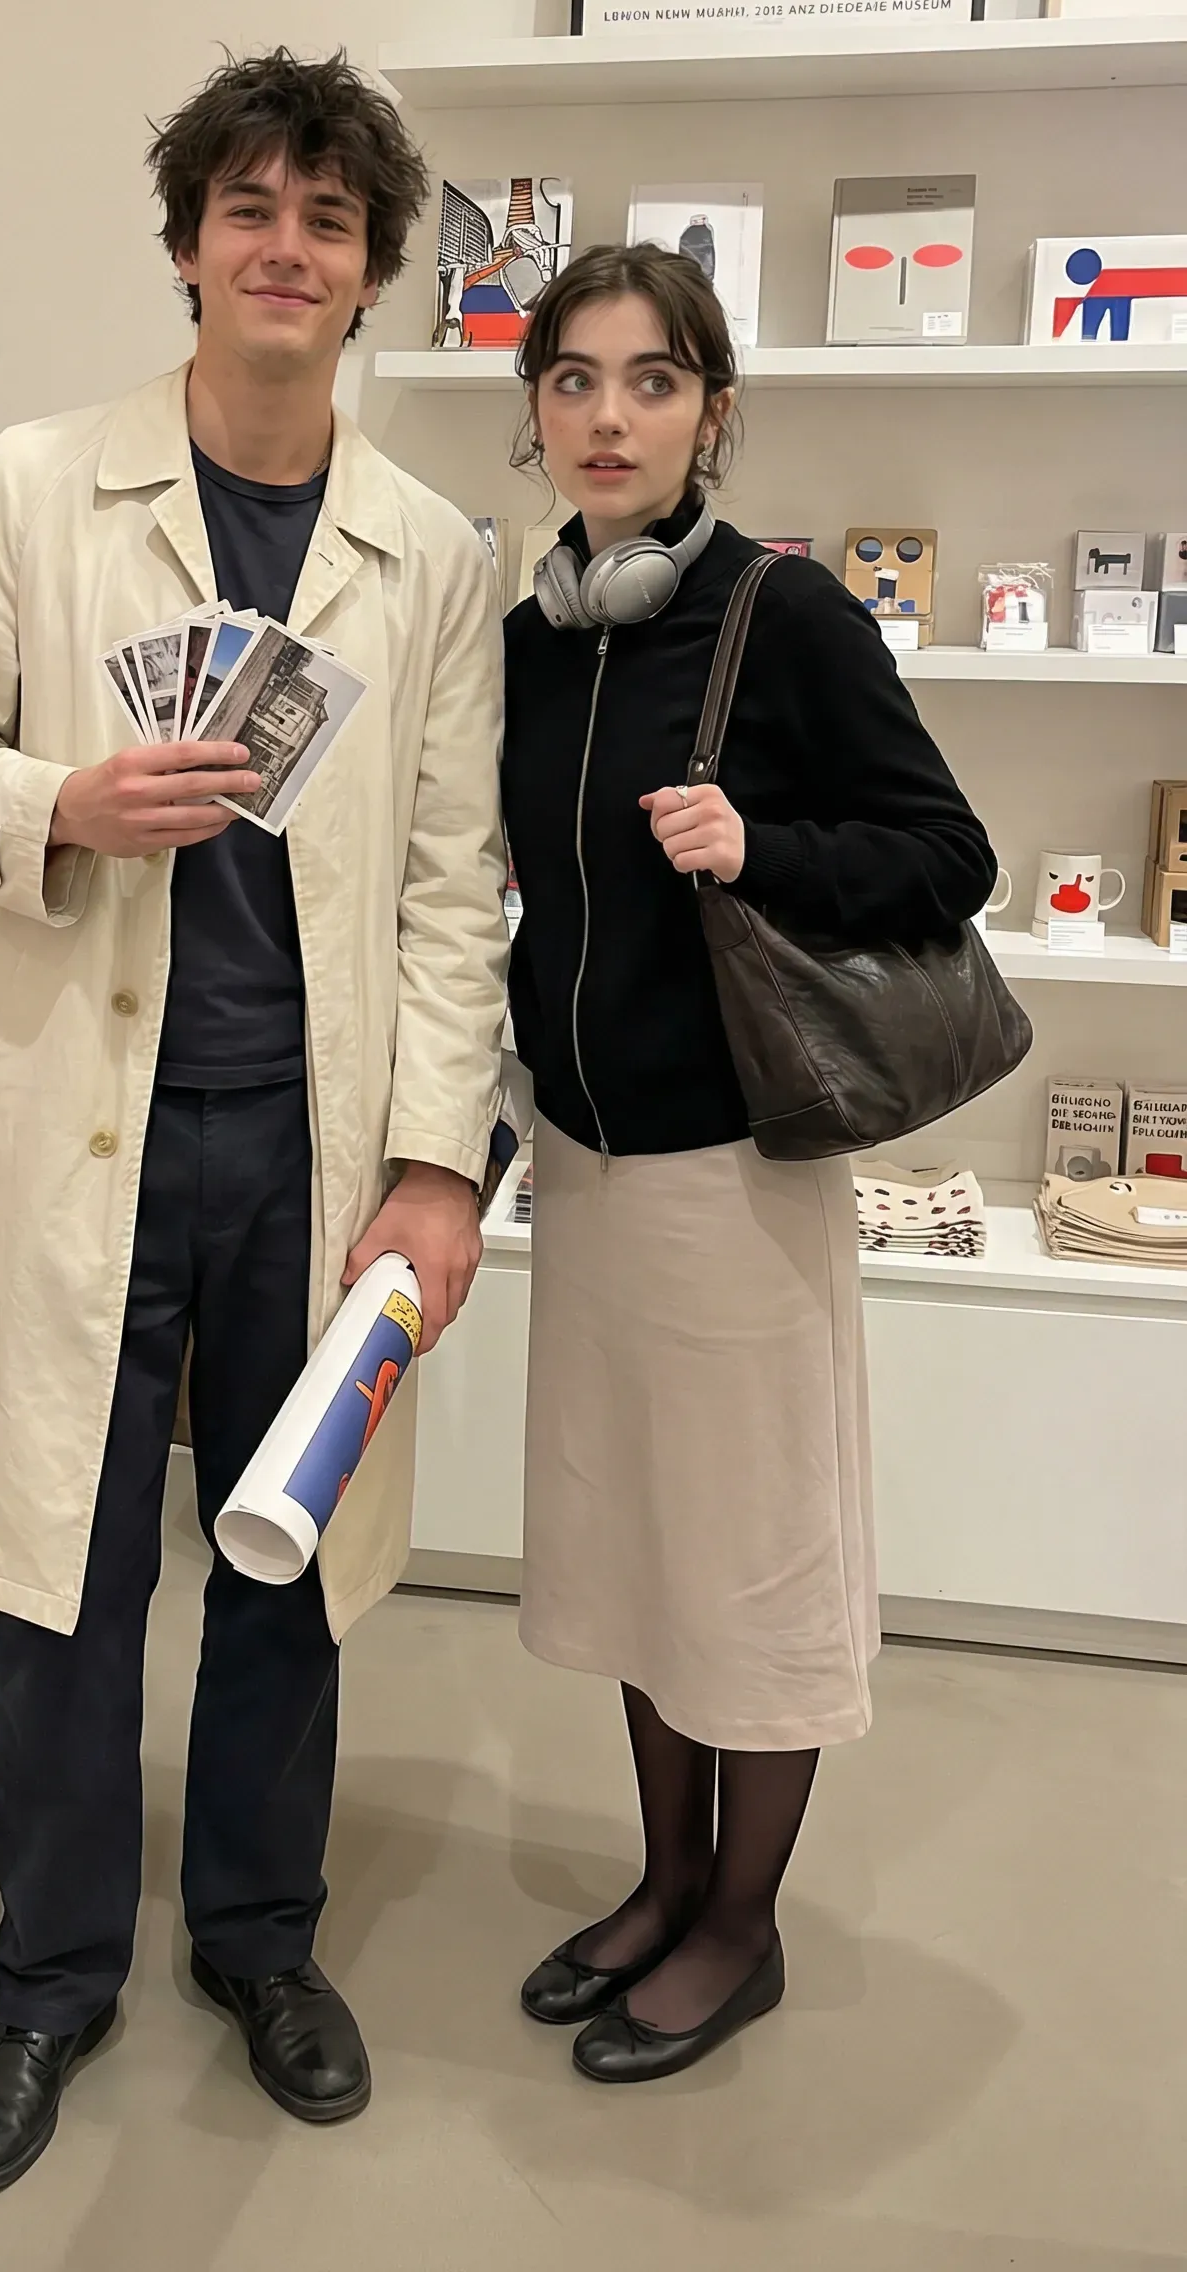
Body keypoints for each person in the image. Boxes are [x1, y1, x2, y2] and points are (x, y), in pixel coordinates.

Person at [0, 49, 508, 2190]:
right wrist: (58, 796)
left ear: (371, 276)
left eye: (327, 221)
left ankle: (258, 1934)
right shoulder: (42, 486)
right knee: (57, 1573)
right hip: (84, 1132)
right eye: (250, 208)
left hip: (307, 1154)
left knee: (284, 1563)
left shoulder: (429, 553)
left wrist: (433, 1164)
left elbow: (446, 880)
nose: (285, 248)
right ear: (185, 246)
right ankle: (47, 1976)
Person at [501, 242, 995, 2084]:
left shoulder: (783, 620)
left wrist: (760, 847)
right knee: (641, 1550)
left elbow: (949, 856)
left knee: (753, 1566)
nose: (609, 415)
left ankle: (739, 1924)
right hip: (589, 1172)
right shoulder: (531, 641)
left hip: (737, 1181)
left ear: (713, 409)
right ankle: (663, 1874)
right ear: (534, 408)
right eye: (574, 379)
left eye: (651, 380)